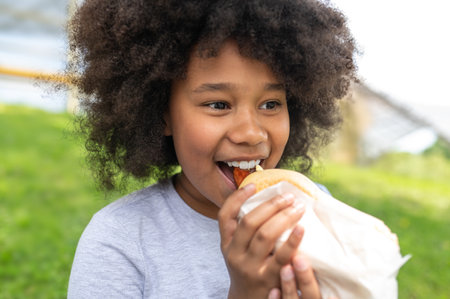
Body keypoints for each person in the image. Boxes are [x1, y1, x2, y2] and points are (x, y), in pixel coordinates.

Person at [67, 0, 357, 298]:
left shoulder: (313, 210)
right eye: (218, 104)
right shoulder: (119, 242)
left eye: (270, 104)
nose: (251, 133)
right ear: (161, 112)